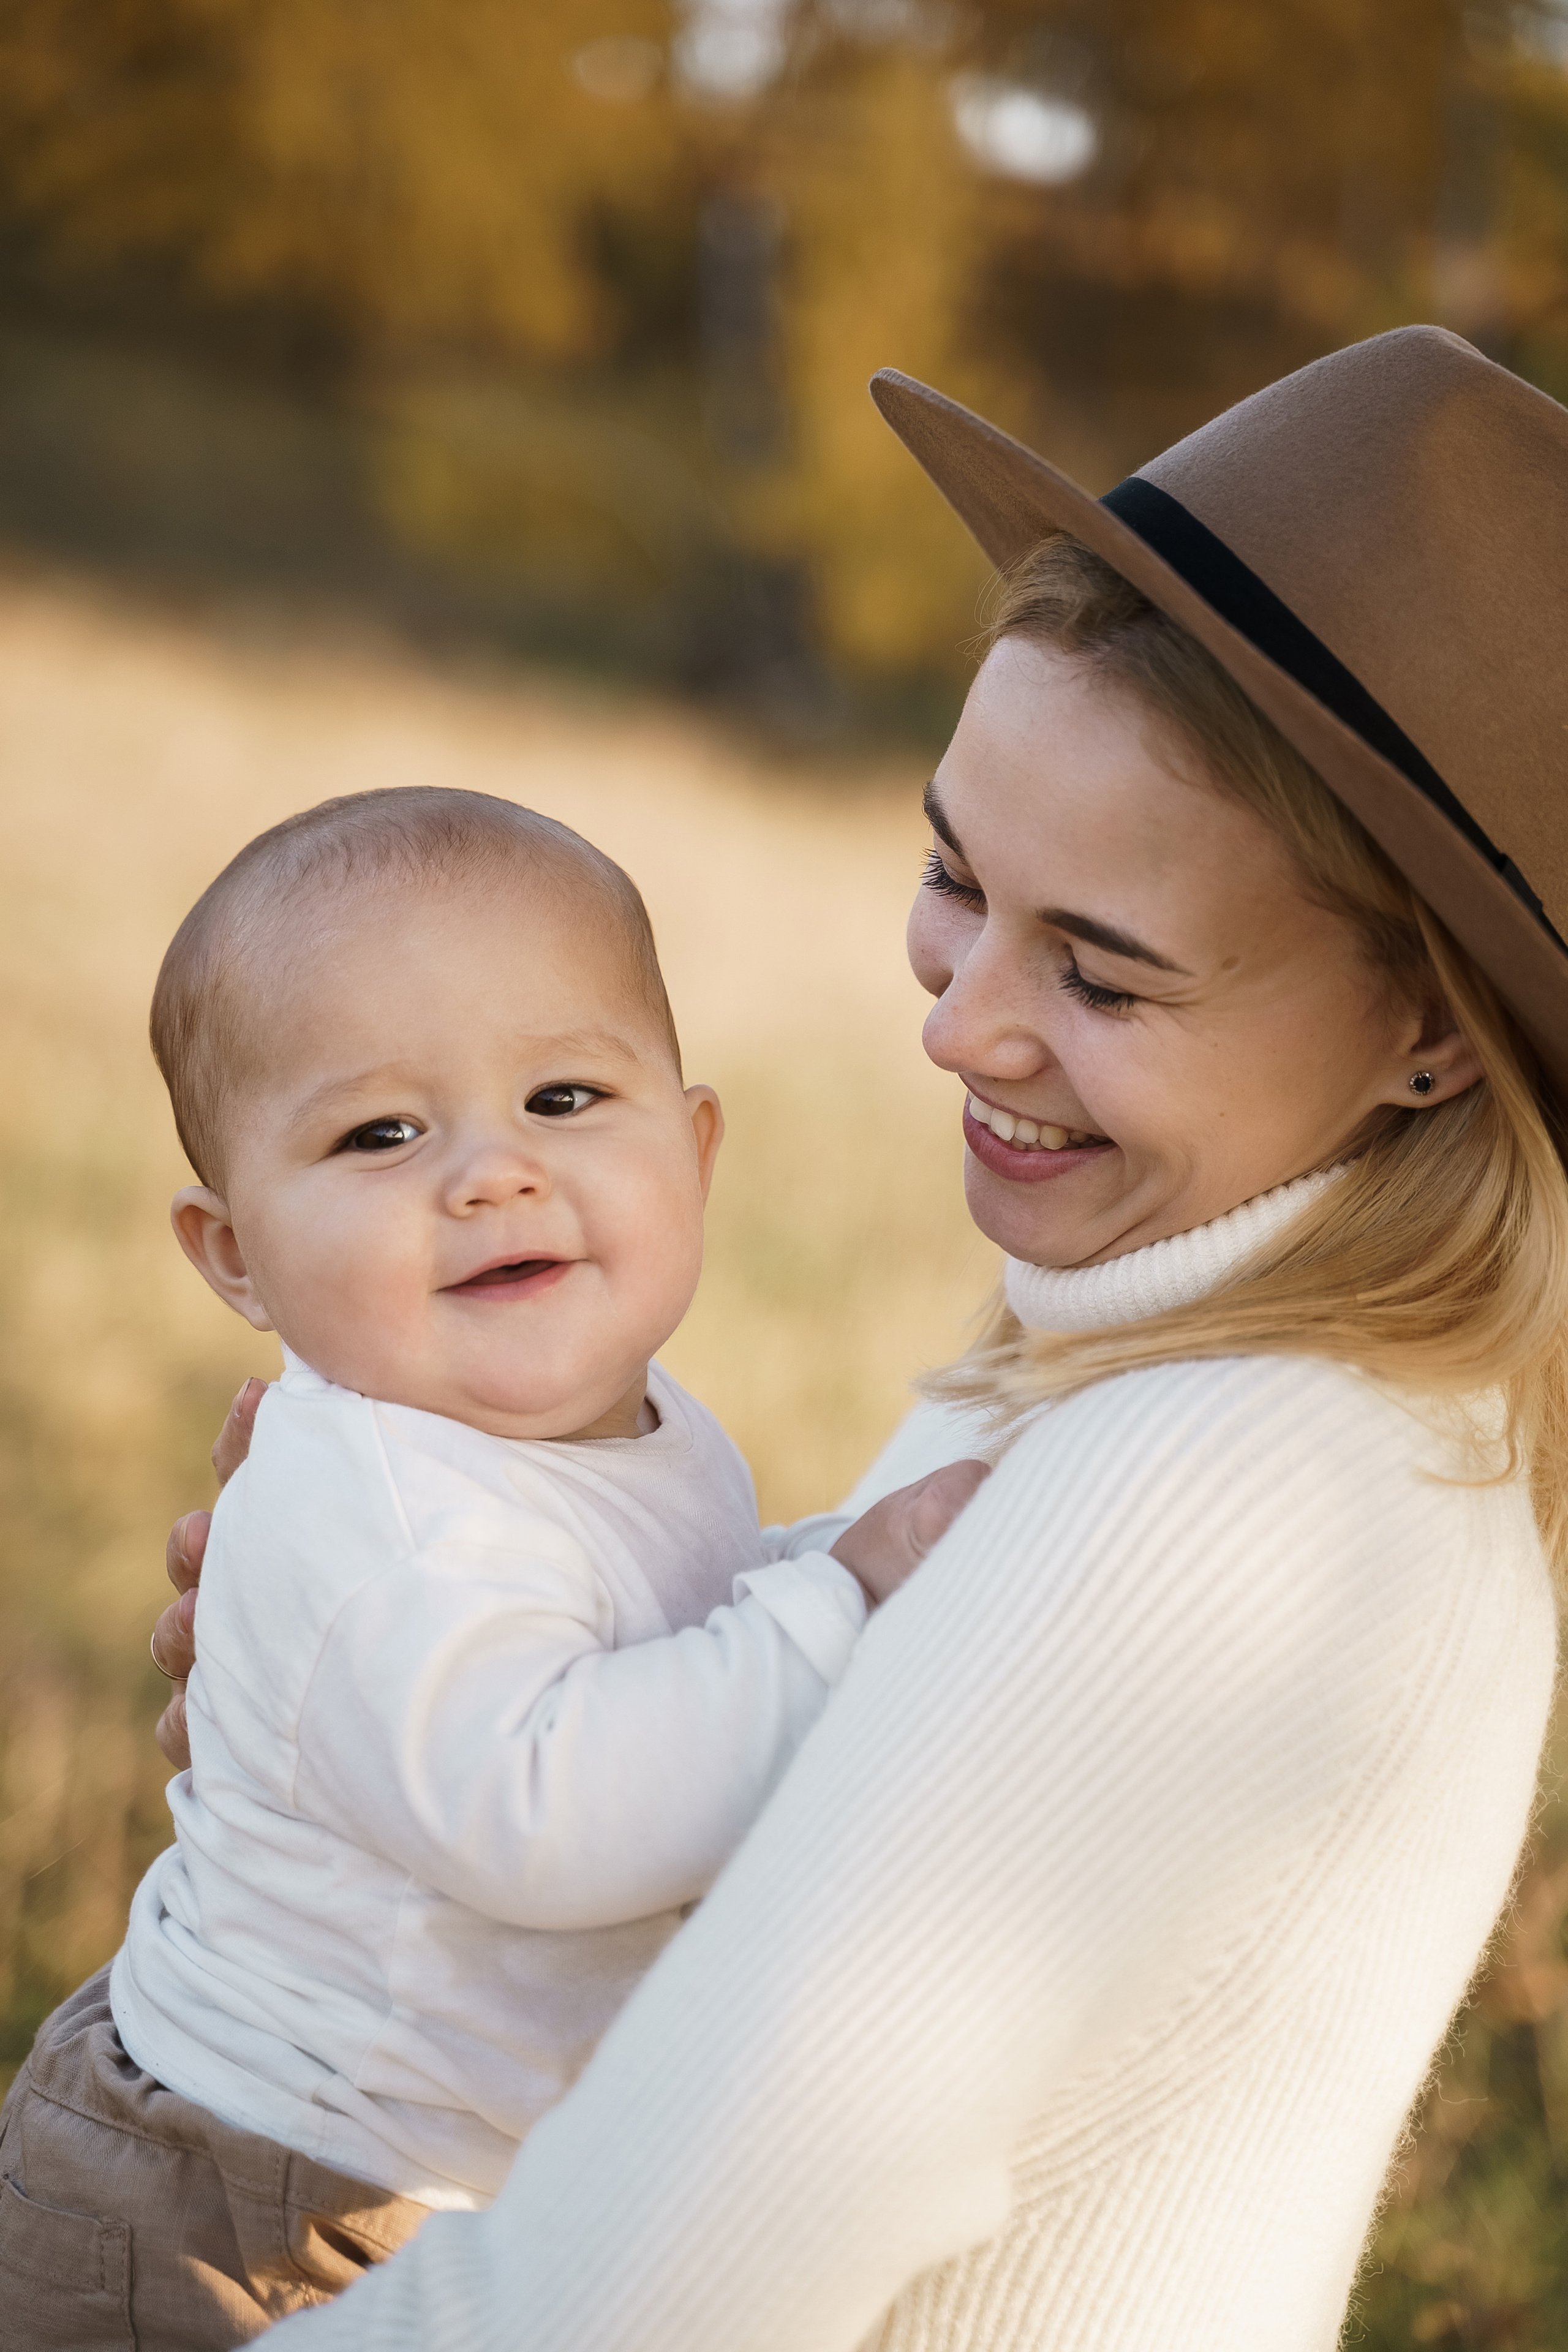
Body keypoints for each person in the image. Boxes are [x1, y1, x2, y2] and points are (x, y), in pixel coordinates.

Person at [137, 326, 1568, 2349]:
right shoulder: (1186, 1382)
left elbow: (617, 2305)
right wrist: (379, 1712)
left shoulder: (1229, 1487)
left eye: (1103, 975)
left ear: (1429, 1030)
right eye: (956, 877)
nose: (958, 1023)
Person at [0, 790, 984, 2350]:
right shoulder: (375, 1505)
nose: (490, 1173)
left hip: (419, 2176)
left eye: (564, 1097)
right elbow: (547, 1812)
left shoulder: (635, 1424)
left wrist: (833, 1576)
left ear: (696, 1149)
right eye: (379, 1134)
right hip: (255, 2198)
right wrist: (841, 1598)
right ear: (235, 1253)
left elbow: (673, 1633)